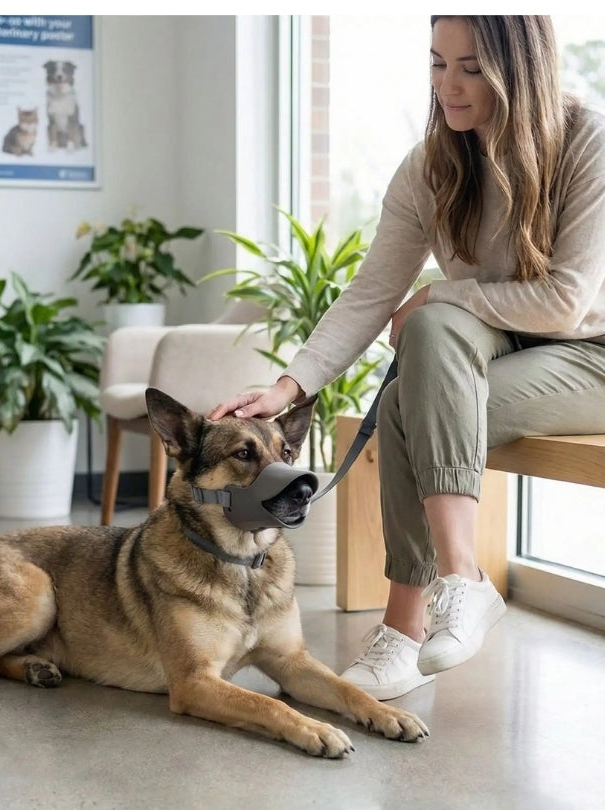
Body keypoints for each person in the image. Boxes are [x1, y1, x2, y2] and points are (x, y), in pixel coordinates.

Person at [209, 15, 605, 700]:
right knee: (425, 345)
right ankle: (459, 583)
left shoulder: (587, 141)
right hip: (499, 349)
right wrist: (285, 387)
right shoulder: (434, 164)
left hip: (590, 355)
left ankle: (406, 627)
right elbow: (370, 295)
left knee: (410, 382)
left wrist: (439, 293)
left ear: (523, 71)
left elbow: (566, 301)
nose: (448, 85)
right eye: (437, 62)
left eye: (472, 68)